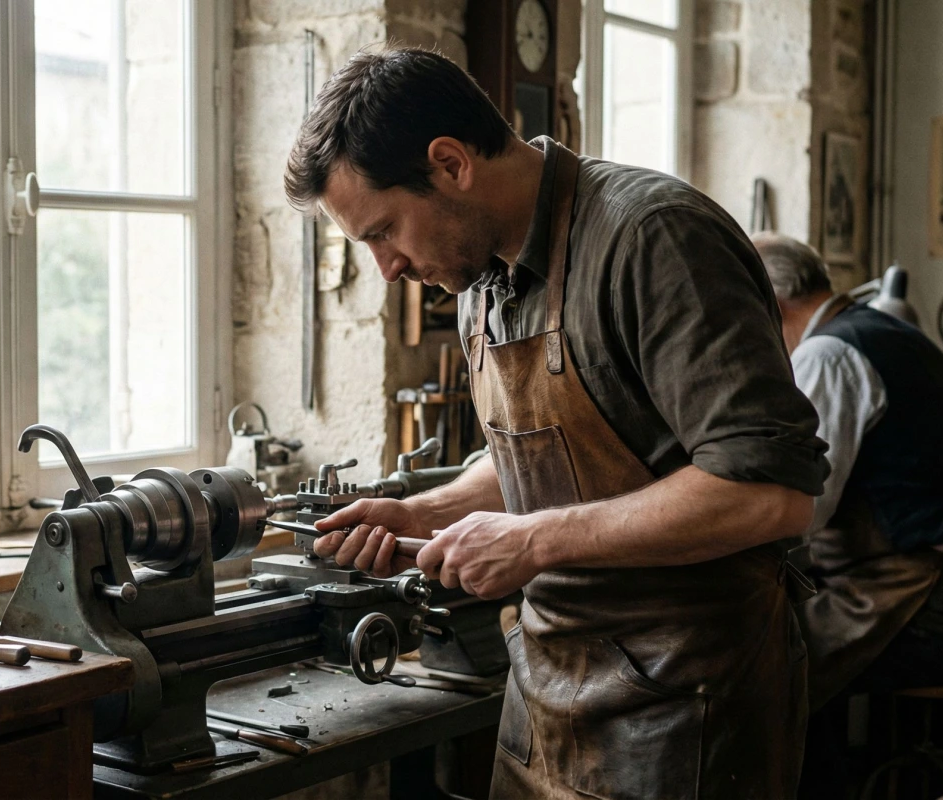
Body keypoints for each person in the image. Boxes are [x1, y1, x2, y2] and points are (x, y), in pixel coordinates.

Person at [284, 47, 829, 798]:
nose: (388, 268)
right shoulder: (481, 278)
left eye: (384, 231)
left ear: (449, 164)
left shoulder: (653, 239)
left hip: (687, 704)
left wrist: (535, 539)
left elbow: (769, 495)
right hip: (546, 693)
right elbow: (540, 459)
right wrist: (426, 510)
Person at [753, 233, 943, 796]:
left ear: (767, 303)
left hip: (921, 597)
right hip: (934, 587)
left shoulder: (828, 354)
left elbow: (802, 510)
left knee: (764, 667)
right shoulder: (889, 332)